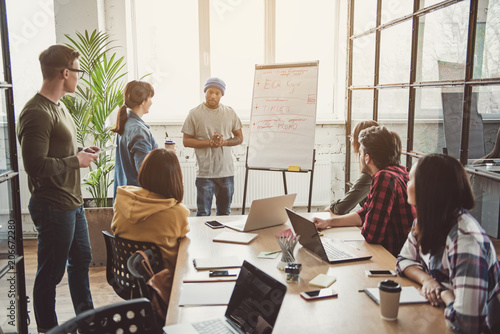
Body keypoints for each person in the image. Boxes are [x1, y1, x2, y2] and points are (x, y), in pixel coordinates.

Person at [17, 44, 98, 332]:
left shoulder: (60, 106)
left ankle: (87, 322)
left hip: (72, 202)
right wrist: (76, 160)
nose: (80, 77)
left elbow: (58, 150)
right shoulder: (36, 112)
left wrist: (79, 151)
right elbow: (35, 165)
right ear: (65, 73)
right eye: (78, 71)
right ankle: (48, 329)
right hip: (52, 206)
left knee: (81, 261)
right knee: (50, 273)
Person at [396, 154, 500, 333]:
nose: (407, 182)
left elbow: (466, 324)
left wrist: (444, 294)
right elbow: (403, 260)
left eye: (411, 178)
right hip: (442, 316)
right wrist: (428, 281)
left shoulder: (466, 241)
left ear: (428, 189)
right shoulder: (424, 223)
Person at [314, 126, 415, 257]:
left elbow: (372, 235)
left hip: (392, 258)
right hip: (398, 254)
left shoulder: (384, 177)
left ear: (367, 158)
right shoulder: (400, 171)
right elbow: (365, 213)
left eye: (360, 153)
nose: (359, 157)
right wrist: (328, 223)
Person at [112, 148, 190, 271]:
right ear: (174, 177)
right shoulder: (178, 212)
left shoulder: (122, 199)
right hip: (164, 279)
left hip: (127, 274)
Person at [182, 77, 243, 216]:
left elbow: (239, 138)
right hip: (204, 173)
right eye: (210, 92)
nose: (213, 96)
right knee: (203, 214)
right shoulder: (194, 113)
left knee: (224, 214)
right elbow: (186, 141)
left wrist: (224, 142)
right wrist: (210, 142)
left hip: (226, 172)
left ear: (222, 94)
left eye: (217, 93)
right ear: (205, 92)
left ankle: (221, 238)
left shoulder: (230, 112)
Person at [112, 80, 158, 198]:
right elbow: (144, 173)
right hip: (137, 198)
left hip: (125, 195)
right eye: (150, 98)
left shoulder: (126, 122)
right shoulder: (138, 131)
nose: (151, 102)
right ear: (143, 101)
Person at [326, 120, 379, 214]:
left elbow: (341, 208)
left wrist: (331, 208)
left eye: (353, 136)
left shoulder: (371, 172)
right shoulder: (375, 165)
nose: (350, 139)